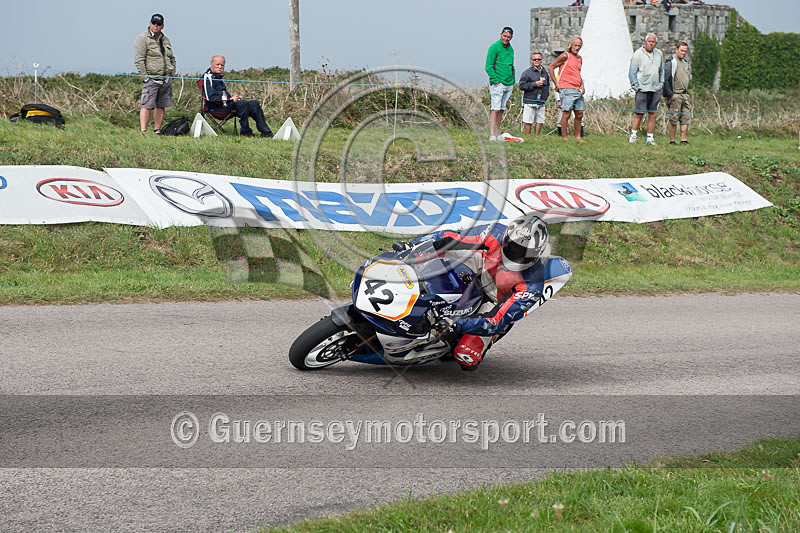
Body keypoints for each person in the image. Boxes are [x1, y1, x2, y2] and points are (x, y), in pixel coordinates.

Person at [393, 213, 550, 371]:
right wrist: (413, 245)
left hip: (495, 301)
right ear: (506, 239)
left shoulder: (532, 286)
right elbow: (450, 237)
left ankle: (473, 338)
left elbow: (496, 320)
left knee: (466, 356)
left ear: (537, 253)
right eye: (514, 247)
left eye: (525, 253)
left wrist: (455, 324)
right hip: (482, 265)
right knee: (431, 253)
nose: (517, 254)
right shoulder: (494, 233)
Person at [201, 55, 274, 138]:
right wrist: (230, 99)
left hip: (226, 104)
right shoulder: (207, 77)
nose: (220, 67)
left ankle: (267, 133)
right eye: (217, 64)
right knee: (243, 104)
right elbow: (210, 98)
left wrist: (234, 98)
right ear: (211, 64)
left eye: (222, 65)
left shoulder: (219, 77)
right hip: (216, 108)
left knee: (254, 104)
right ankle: (246, 133)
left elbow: (223, 94)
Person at [133, 14, 176, 134]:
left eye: (158, 24)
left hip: (166, 79)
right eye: (154, 23)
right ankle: (144, 131)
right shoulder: (142, 39)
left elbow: (172, 58)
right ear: (150, 23)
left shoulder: (166, 39)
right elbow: (139, 60)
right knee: (147, 105)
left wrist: (172, 73)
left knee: (161, 105)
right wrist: (146, 78)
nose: (156, 26)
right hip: (151, 78)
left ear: (162, 26)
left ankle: (157, 130)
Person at [628, 33, 664, 146]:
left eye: (654, 42)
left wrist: (661, 83)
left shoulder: (659, 54)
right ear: (645, 42)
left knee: (653, 114)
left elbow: (662, 70)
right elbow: (632, 72)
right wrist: (636, 87)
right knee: (639, 113)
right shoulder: (638, 54)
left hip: (655, 88)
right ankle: (633, 136)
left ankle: (650, 138)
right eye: (650, 42)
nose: (651, 44)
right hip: (642, 88)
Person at [548, 37, 585, 142]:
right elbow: (551, 67)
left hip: (577, 89)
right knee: (567, 113)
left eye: (579, 46)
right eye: (575, 45)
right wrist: (556, 83)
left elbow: (577, 73)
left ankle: (578, 137)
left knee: (579, 113)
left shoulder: (580, 58)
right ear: (571, 45)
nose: (577, 48)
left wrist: (582, 85)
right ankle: (564, 137)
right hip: (567, 88)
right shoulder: (565, 55)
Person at [485, 27, 516, 141]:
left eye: (508, 37)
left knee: (501, 109)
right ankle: (492, 135)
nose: (506, 38)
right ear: (501, 35)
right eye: (505, 36)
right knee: (495, 109)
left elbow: (511, 65)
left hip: (508, 83)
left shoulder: (511, 49)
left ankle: (497, 134)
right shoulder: (494, 47)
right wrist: (495, 80)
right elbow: (488, 66)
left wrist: (513, 79)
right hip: (498, 83)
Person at [664, 41, 692, 145]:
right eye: (682, 51)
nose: (683, 53)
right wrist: (670, 94)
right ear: (677, 50)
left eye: (685, 51)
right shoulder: (671, 62)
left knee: (686, 117)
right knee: (674, 118)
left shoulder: (685, 62)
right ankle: (672, 140)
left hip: (684, 94)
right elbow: (665, 79)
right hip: (675, 94)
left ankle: (683, 140)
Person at [519, 53, 551, 136]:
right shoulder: (527, 73)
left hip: (541, 101)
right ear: (531, 61)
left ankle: (537, 137)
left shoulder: (545, 72)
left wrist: (546, 96)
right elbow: (521, 86)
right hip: (530, 100)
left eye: (539, 59)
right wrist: (534, 84)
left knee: (540, 120)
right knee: (528, 121)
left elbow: (547, 85)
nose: (537, 61)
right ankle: (528, 137)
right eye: (535, 59)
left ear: (541, 60)